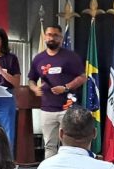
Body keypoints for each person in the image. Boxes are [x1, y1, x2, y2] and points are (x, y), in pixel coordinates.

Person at [27, 26, 86, 159]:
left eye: (55, 35)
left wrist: (65, 87)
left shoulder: (70, 57)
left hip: (67, 108)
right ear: (45, 36)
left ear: (61, 38)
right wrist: (34, 88)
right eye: (49, 35)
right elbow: (31, 80)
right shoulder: (39, 58)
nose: (51, 38)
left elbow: (83, 77)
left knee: (69, 145)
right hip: (47, 109)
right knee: (49, 145)